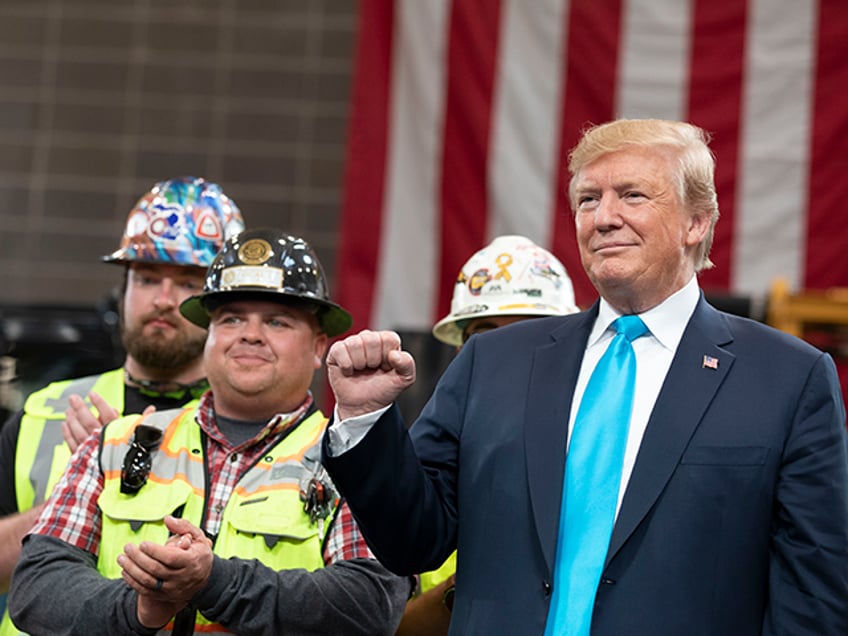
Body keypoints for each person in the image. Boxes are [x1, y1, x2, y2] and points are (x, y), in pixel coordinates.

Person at [321, 119, 848, 635]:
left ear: (697, 222)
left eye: (633, 195)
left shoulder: (788, 379)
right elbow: (416, 541)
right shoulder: (491, 362)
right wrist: (366, 420)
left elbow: (814, 592)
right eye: (588, 200)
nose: (604, 218)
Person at [8, 227, 411, 635]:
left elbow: (370, 604)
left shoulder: (351, 461)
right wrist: (140, 608)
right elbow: (37, 588)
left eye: (277, 321)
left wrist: (215, 583)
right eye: (232, 318)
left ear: (319, 346)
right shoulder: (113, 443)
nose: (250, 334)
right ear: (209, 335)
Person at [0, 176, 245, 636]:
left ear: (221, 304)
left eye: (188, 282)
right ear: (123, 287)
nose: (163, 300)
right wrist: (79, 491)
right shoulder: (44, 412)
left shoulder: (249, 427)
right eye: (147, 278)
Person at [397, 234, 578, 636]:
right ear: (462, 352)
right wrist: (463, 592)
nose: (506, 351)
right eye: (485, 335)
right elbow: (384, 626)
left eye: (531, 333)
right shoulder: (418, 460)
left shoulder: (608, 454)